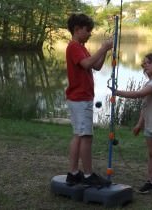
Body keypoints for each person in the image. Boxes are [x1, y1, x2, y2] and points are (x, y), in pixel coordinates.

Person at [112, 53, 152, 197]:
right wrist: (140, 123)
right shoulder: (149, 82)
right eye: (144, 63)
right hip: (150, 124)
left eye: (149, 63)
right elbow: (145, 105)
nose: (145, 65)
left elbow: (139, 95)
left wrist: (117, 92)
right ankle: (151, 183)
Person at [65, 13, 113, 187]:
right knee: (86, 137)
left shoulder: (82, 47)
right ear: (77, 30)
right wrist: (102, 47)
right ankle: (87, 175)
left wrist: (106, 50)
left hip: (80, 97)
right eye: (88, 30)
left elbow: (96, 66)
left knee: (79, 135)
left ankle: (73, 173)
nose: (90, 33)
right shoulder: (74, 47)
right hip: (80, 98)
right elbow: (86, 64)